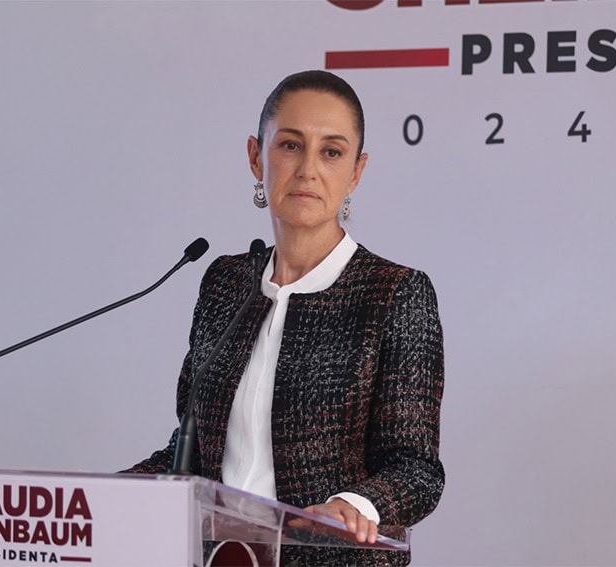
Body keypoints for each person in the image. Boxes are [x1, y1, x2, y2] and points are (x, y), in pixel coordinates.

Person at [123, 70, 445, 566]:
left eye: (332, 152)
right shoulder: (227, 283)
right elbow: (193, 451)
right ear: (256, 156)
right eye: (290, 146)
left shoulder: (395, 293)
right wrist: (104, 498)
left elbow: (416, 470)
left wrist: (355, 505)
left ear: (356, 172)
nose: (308, 170)